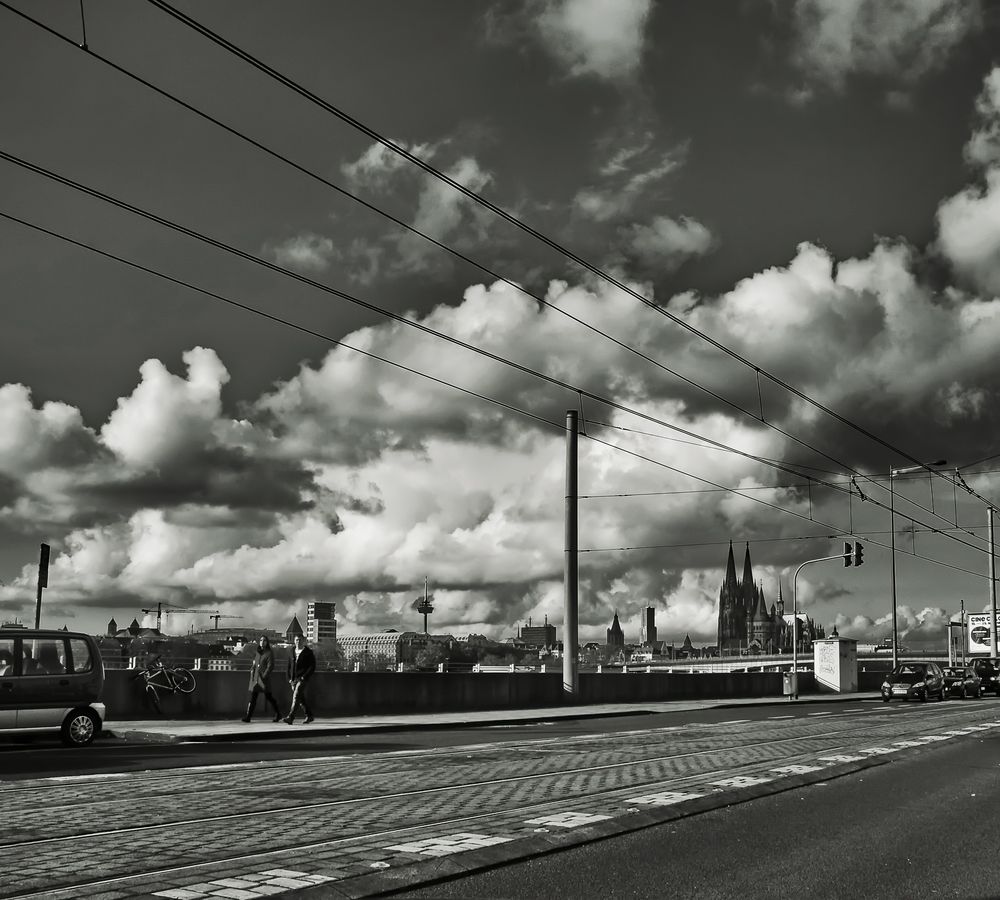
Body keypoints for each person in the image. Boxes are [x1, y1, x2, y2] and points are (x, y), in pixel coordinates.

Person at [242, 635, 281, 723]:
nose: (262, 642)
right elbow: (255, 663)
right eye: (261, 640)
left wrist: (264, 676)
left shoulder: (269, 653)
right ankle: (248, 717)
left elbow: (270, 666)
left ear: (267, 643)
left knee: (269, 697)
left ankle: (278, 713)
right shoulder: (258, 652)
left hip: (263, 679)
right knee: (253, 697)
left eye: (264, 640)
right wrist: (252, 669)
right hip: (256, 678)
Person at [283, 634, 316, 724]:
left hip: (302, 679)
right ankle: (309, 715)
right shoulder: (291, 651)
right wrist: (289, 678)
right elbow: (288, 666)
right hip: (293, 679)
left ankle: (291, 717)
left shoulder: (308, 652)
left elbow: (312, 666)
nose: (298, 642)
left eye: (300, 640)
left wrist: (304, 677)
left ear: (304, 641)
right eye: (297, 640)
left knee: (296, 696)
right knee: (300, 698)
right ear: (294, 641)